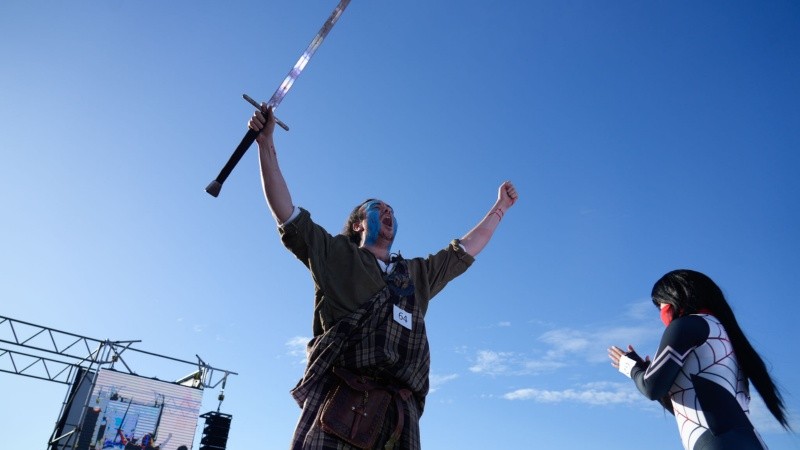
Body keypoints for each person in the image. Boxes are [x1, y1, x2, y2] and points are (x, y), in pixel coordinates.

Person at [249, 105, 518, 449]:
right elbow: (285, 212)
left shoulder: (416, 276)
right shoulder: (336, 256)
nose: (389, 213)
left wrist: (500, 209)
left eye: (392, 211)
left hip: (398, 421)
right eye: (380, 209)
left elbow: (465, 249)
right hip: (341, 407)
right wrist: (265, 143)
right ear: (359, 223)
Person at [608, 269, 790, 450]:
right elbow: (692, 406)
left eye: (660, 304)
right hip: (751, 441)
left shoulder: (688, 324)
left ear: (675, 296)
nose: (661, 312)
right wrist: (649, 370)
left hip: (715, 441)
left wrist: (630, 367)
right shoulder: (731, 340)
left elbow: (652, 387)